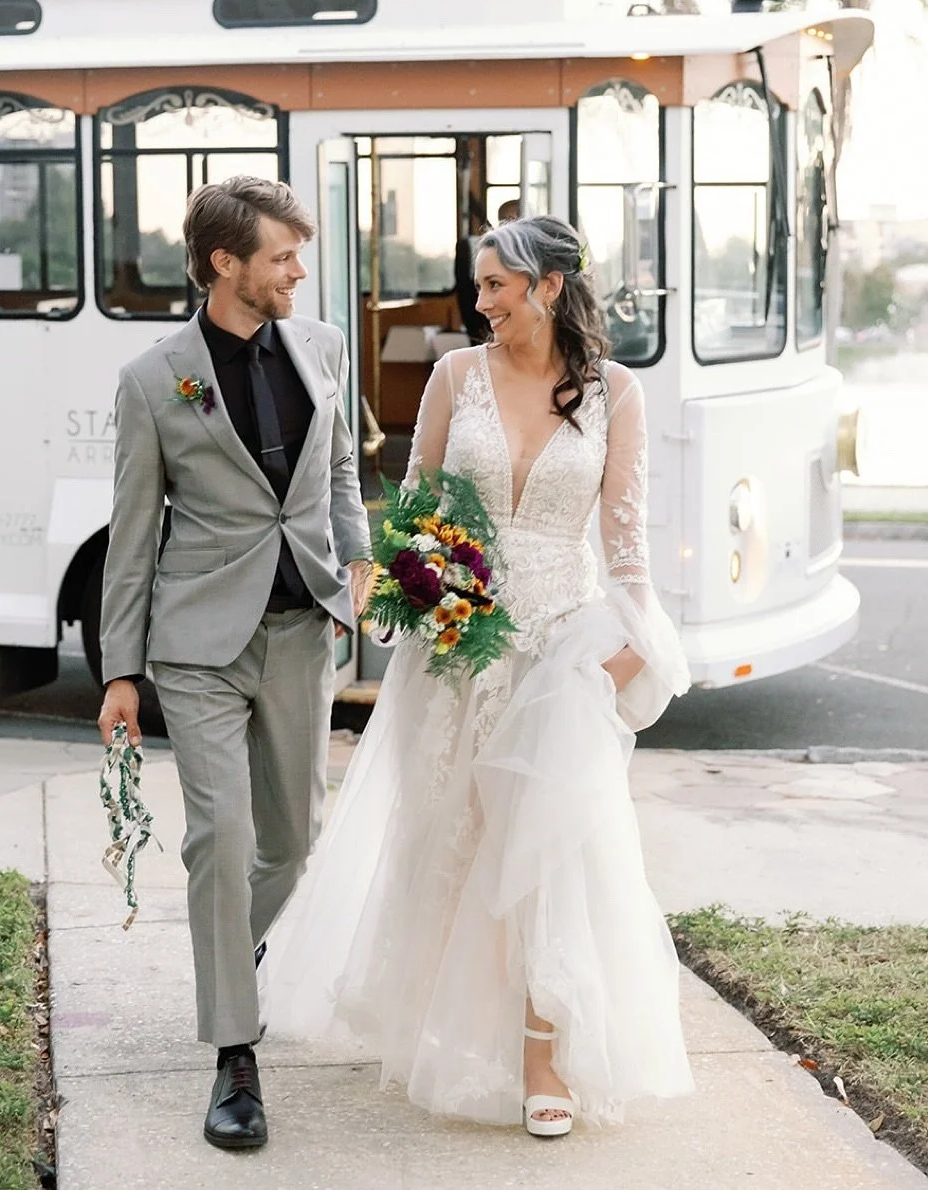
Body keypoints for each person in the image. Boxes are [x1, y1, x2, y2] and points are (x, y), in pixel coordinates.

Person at [267, 214, 693, 1136]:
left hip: (560, 649)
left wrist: (638, 645)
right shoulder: (454, 377)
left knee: (547, 846)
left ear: (547, 287)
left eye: (497, 284)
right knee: (450, 837)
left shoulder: (616, 392)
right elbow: (417, 507)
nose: (482, 302)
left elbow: (626, 543)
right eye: (481, 285)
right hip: (457, 649)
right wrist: (419, 590)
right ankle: (445, 1027)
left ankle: (544, 1054)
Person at [97, 176, 373, 1152]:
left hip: (303, 632)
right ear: (227, 264)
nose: (300, 271)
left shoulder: (324, 347)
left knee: (293, 842)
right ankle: (234, 1058)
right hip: (200, 644)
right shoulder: (153, 379)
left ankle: (233, 955)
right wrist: (120, 674)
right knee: (220, 837)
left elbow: (338, 467)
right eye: (283, 257)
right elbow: (132, 536)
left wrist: (360, 559)